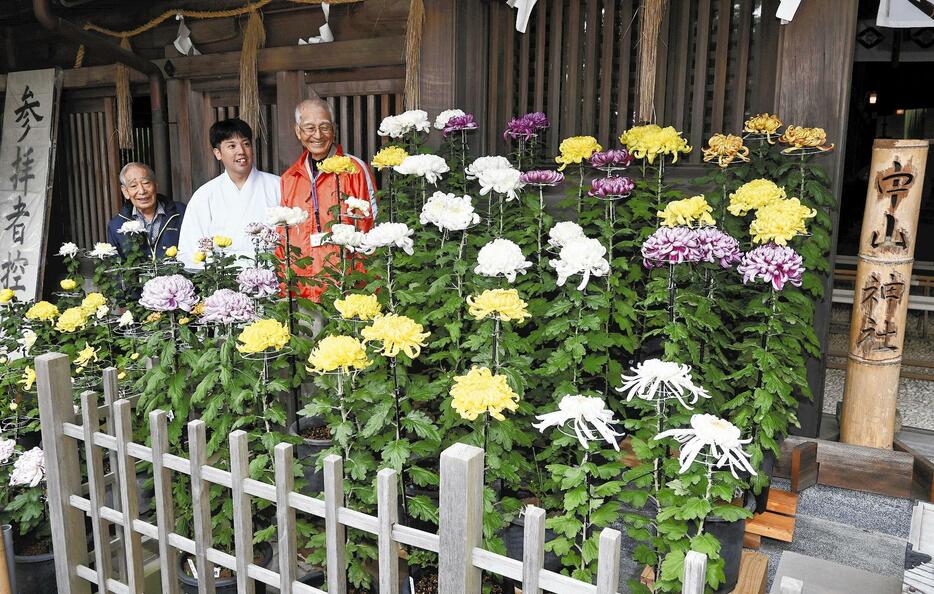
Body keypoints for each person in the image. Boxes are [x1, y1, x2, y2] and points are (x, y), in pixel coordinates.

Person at [280, 98, 378, 300]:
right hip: (303, 287)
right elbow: (283, 236)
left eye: (324, 127)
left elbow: (370, 228)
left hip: (347, 284)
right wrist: (285, 286)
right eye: (309, 128)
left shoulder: (354, 169)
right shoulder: (290, 178)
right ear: (298, 132)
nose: (317, 135)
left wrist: (363, 286)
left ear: (334, 129)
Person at [177, 118, 281, 268]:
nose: (241, 151)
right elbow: (191, 249)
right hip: (222, 280)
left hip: (273, 279)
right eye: (231, 146)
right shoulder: (205, 195)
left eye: (246, 144)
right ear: (218, 153)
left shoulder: (277, 186)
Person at [107, 162, 186, 260]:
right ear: (125, 192)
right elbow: (116, 267)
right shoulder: (116, 225)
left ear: (156, 185)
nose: (142, 191)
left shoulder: (181, 212)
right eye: (133, 186)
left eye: (146, 183)